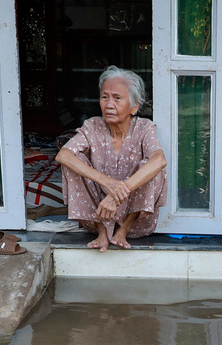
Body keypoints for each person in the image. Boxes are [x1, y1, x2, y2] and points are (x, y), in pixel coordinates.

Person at [56, 66, 167, 252]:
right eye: (105, 97)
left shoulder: (144, 127)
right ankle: (102, 231)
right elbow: (63, 155)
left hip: (136, 222)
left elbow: (159, 160)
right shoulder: (92, 126)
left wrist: (116, 196)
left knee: (151, 166)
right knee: (73, 162)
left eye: (117, 98)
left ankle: (123, 229)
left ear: (134, 106)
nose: (109, 105)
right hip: (97, 214)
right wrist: (106, 182)